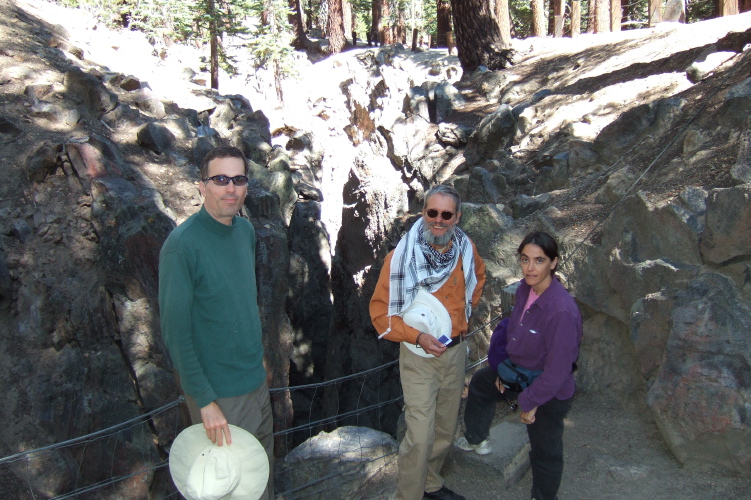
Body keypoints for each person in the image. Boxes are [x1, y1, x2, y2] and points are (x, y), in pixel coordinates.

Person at [159, 145, 274, 500]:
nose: (231, 189)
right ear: (201, 185)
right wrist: (205, 402)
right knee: (232, 489)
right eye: (220, 179)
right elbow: (175, 334)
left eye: (239, 179)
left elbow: (241, 304)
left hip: (255, 382)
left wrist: (260, 365)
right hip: (220, 395)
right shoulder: (182, 247)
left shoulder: (244, 232)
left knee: (261, 480)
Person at [370, 185, 486, 500]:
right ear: (423, 213)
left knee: (446, 429)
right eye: (432, 212)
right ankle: (408, 495)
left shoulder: (465, 248)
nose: (439, 220)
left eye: (446, 214)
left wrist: (463, 319)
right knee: (419, 435)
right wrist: (417, 335)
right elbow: (380, 315)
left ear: (457, 217)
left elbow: (479, 276)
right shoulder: (400, 258)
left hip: (456, 351)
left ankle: (431, 485)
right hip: (418, 357)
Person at [456, 231, 582, 500]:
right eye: (525, 259)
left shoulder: (561, 311)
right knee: (481, 383)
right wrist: (502, 368)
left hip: (549, 391)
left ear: (554, 263)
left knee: (545, 448)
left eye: (539, 260)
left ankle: (544, 496)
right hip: (519, 374)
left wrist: (530, 401)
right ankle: (476, 439)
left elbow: (559, 369)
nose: (530, 267)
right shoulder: (526, 289)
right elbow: (510, 330)